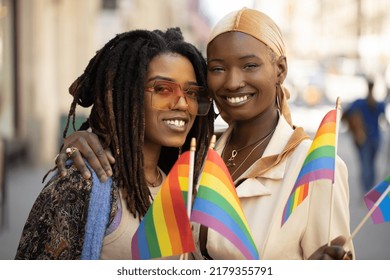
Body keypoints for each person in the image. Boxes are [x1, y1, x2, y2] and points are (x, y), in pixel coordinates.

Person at [54, 8, 354, 260]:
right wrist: (86, 139)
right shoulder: (193, 155)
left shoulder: (314, 169)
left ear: (280, 70)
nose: (233, 82)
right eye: (218, 68)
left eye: (250, 65)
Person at [14, 27, 214, 259]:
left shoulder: (183, 184)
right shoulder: (82, 185)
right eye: (162, 89)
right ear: (127, 94)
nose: (182, 103)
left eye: (191, 92)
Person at [342, 79, 387, 194]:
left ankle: (369, 189)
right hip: (364, 139)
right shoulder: (360, 103)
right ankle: (367, 189)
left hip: (374, 139)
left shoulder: (376, 104)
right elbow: (346, 114)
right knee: (366, 165)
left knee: (370, 164)